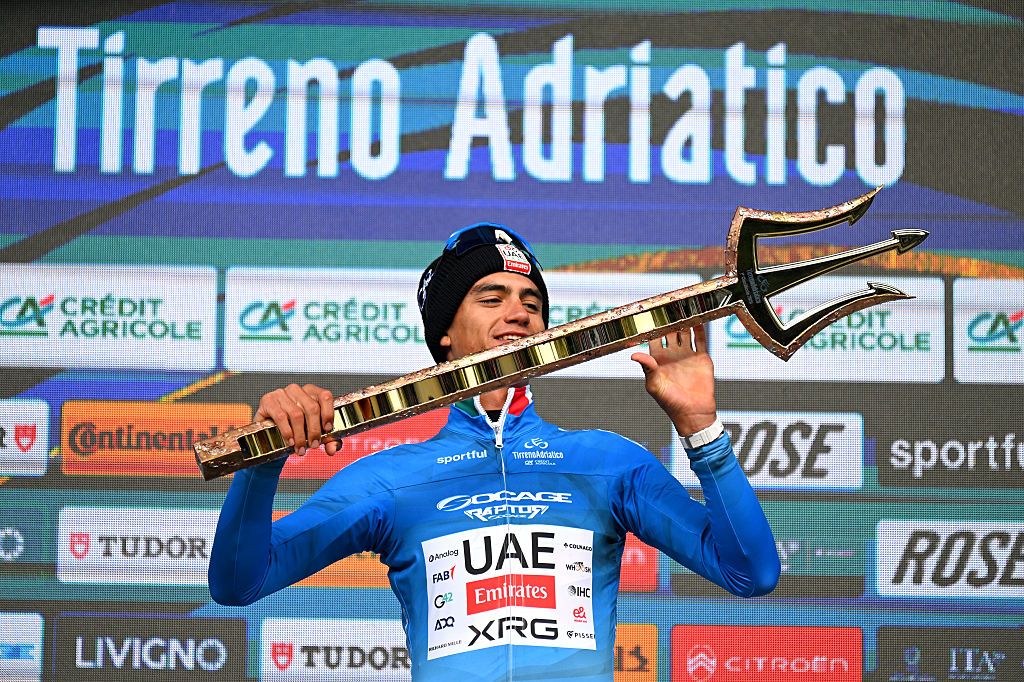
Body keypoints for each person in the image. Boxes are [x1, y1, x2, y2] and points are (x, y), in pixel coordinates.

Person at [209, 224, 780, 681]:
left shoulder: (608, 464)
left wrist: (701, 429)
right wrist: (263, 463)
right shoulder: (392, 480)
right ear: (445, 335)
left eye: (532, 300)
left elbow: (750, 572)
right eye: (492, 296)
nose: (520, 312)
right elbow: (239, 582)